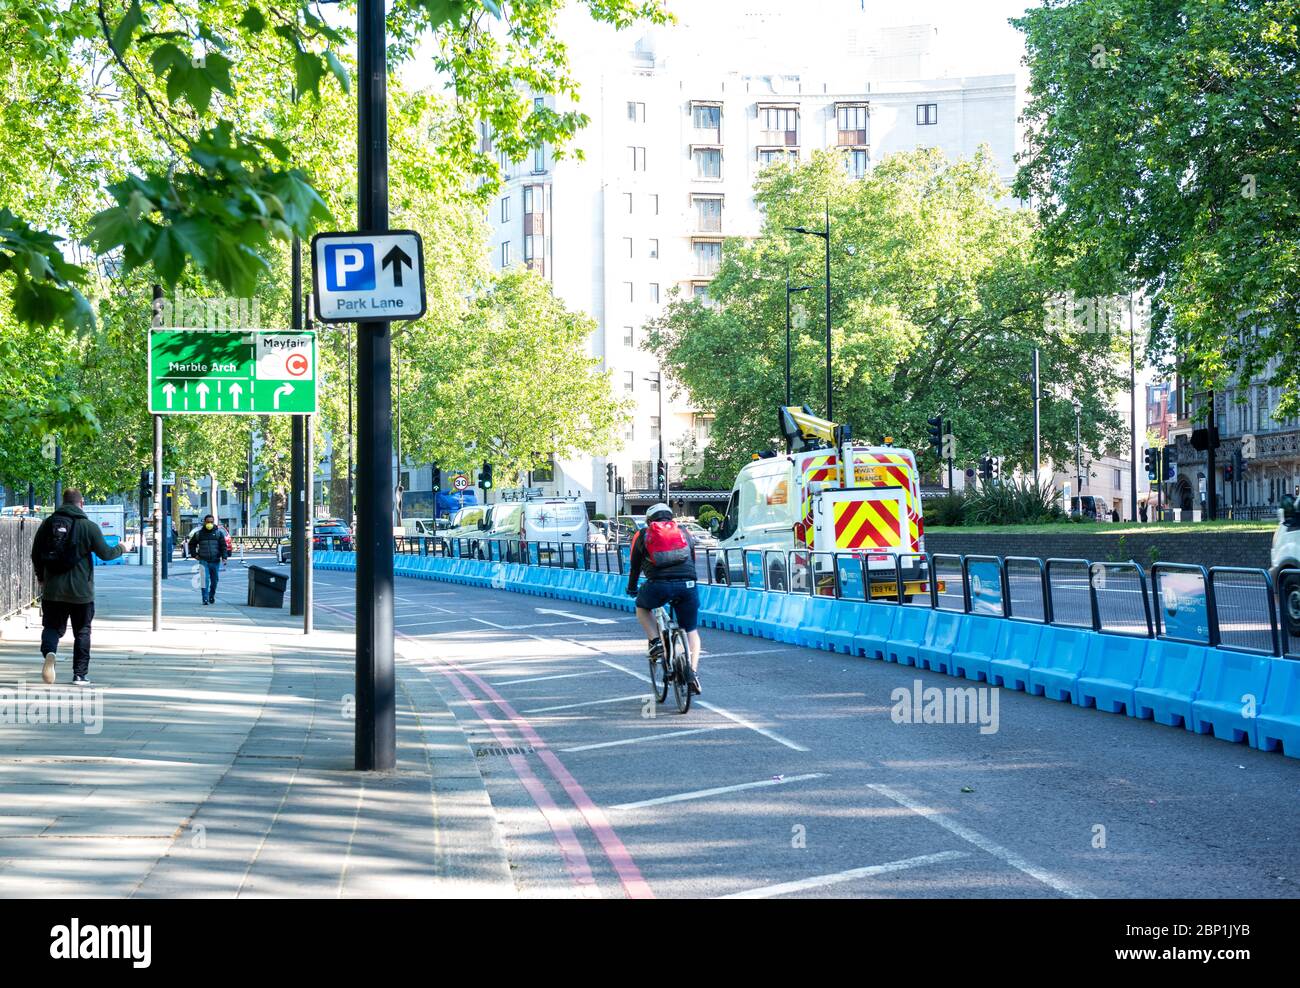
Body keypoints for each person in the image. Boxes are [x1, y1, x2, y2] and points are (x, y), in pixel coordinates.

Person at [30, 489, 124, 686]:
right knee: (82, 631)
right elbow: (106, 554)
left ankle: (50, 653)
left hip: (53, 590)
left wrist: (41, 576)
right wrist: (123, 548)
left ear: (63, 502)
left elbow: (36, 553)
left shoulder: (48, 524)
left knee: (52, 627)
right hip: (81, 592)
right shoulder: (88, 526)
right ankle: (79, 675)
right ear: (81, 503)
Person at [625, 503, 703, 694]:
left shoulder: (642, 535)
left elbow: (635, 566)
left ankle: (656, 642)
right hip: (688, 585)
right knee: (691, 630)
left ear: (649, 521)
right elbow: (692, 559)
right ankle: (692, 672)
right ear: (671, 518)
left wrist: (632, 588)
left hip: (658, 585)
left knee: (642, 607)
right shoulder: (685, 532)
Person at [188, 515, 229, 604]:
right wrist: (194, 555)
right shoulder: (199, 534)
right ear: (204, 522)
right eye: (208, 522)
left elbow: (223, 546)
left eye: (211, 522)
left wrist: (224, 557)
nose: (209, 524)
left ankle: (211, 595)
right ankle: (205, 598)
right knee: (204, 580)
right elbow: (191, 544)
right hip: (203, 561)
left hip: (215, 560)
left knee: (215, 581)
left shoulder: (218, 533)